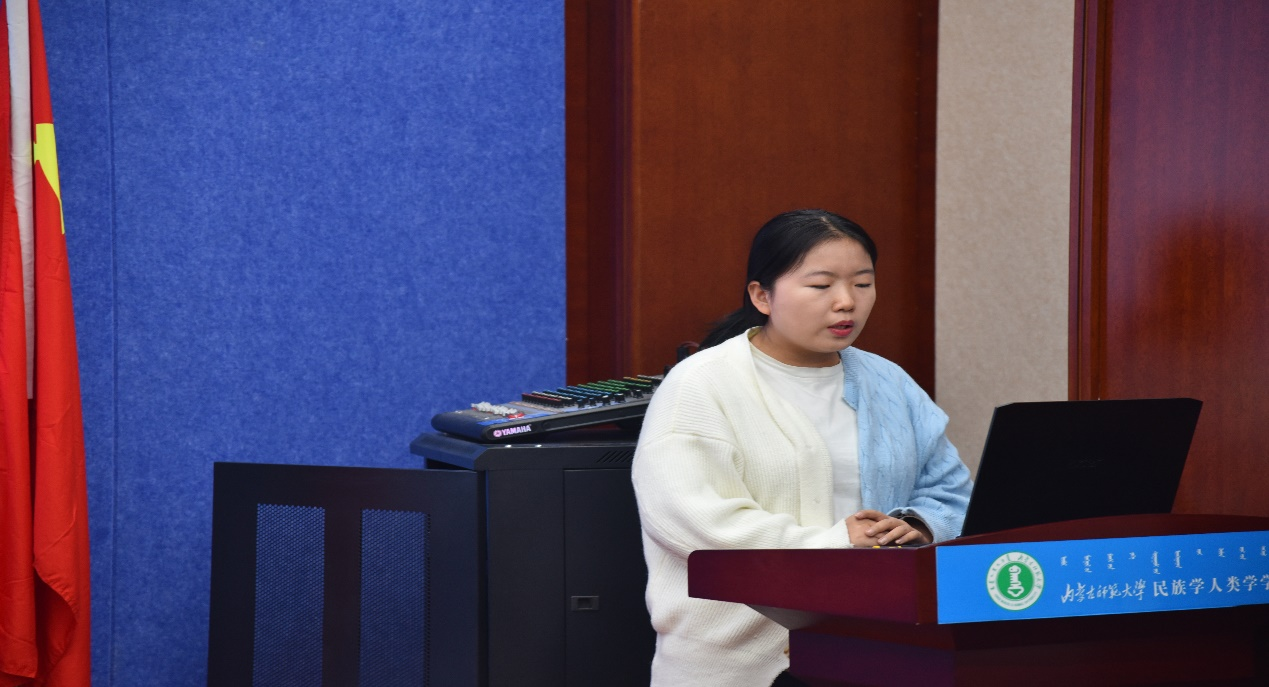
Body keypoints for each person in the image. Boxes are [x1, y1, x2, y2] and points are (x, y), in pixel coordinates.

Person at [631, 209, 972, 687]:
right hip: (735, 665)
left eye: (863, 283)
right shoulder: (701, 384)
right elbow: (694, 521)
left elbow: (950, 492)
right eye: (821, 285)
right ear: (762, 295)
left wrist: (916, 526)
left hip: (871, 651)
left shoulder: (889, 382)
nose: (846, 302)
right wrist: (836, 543)